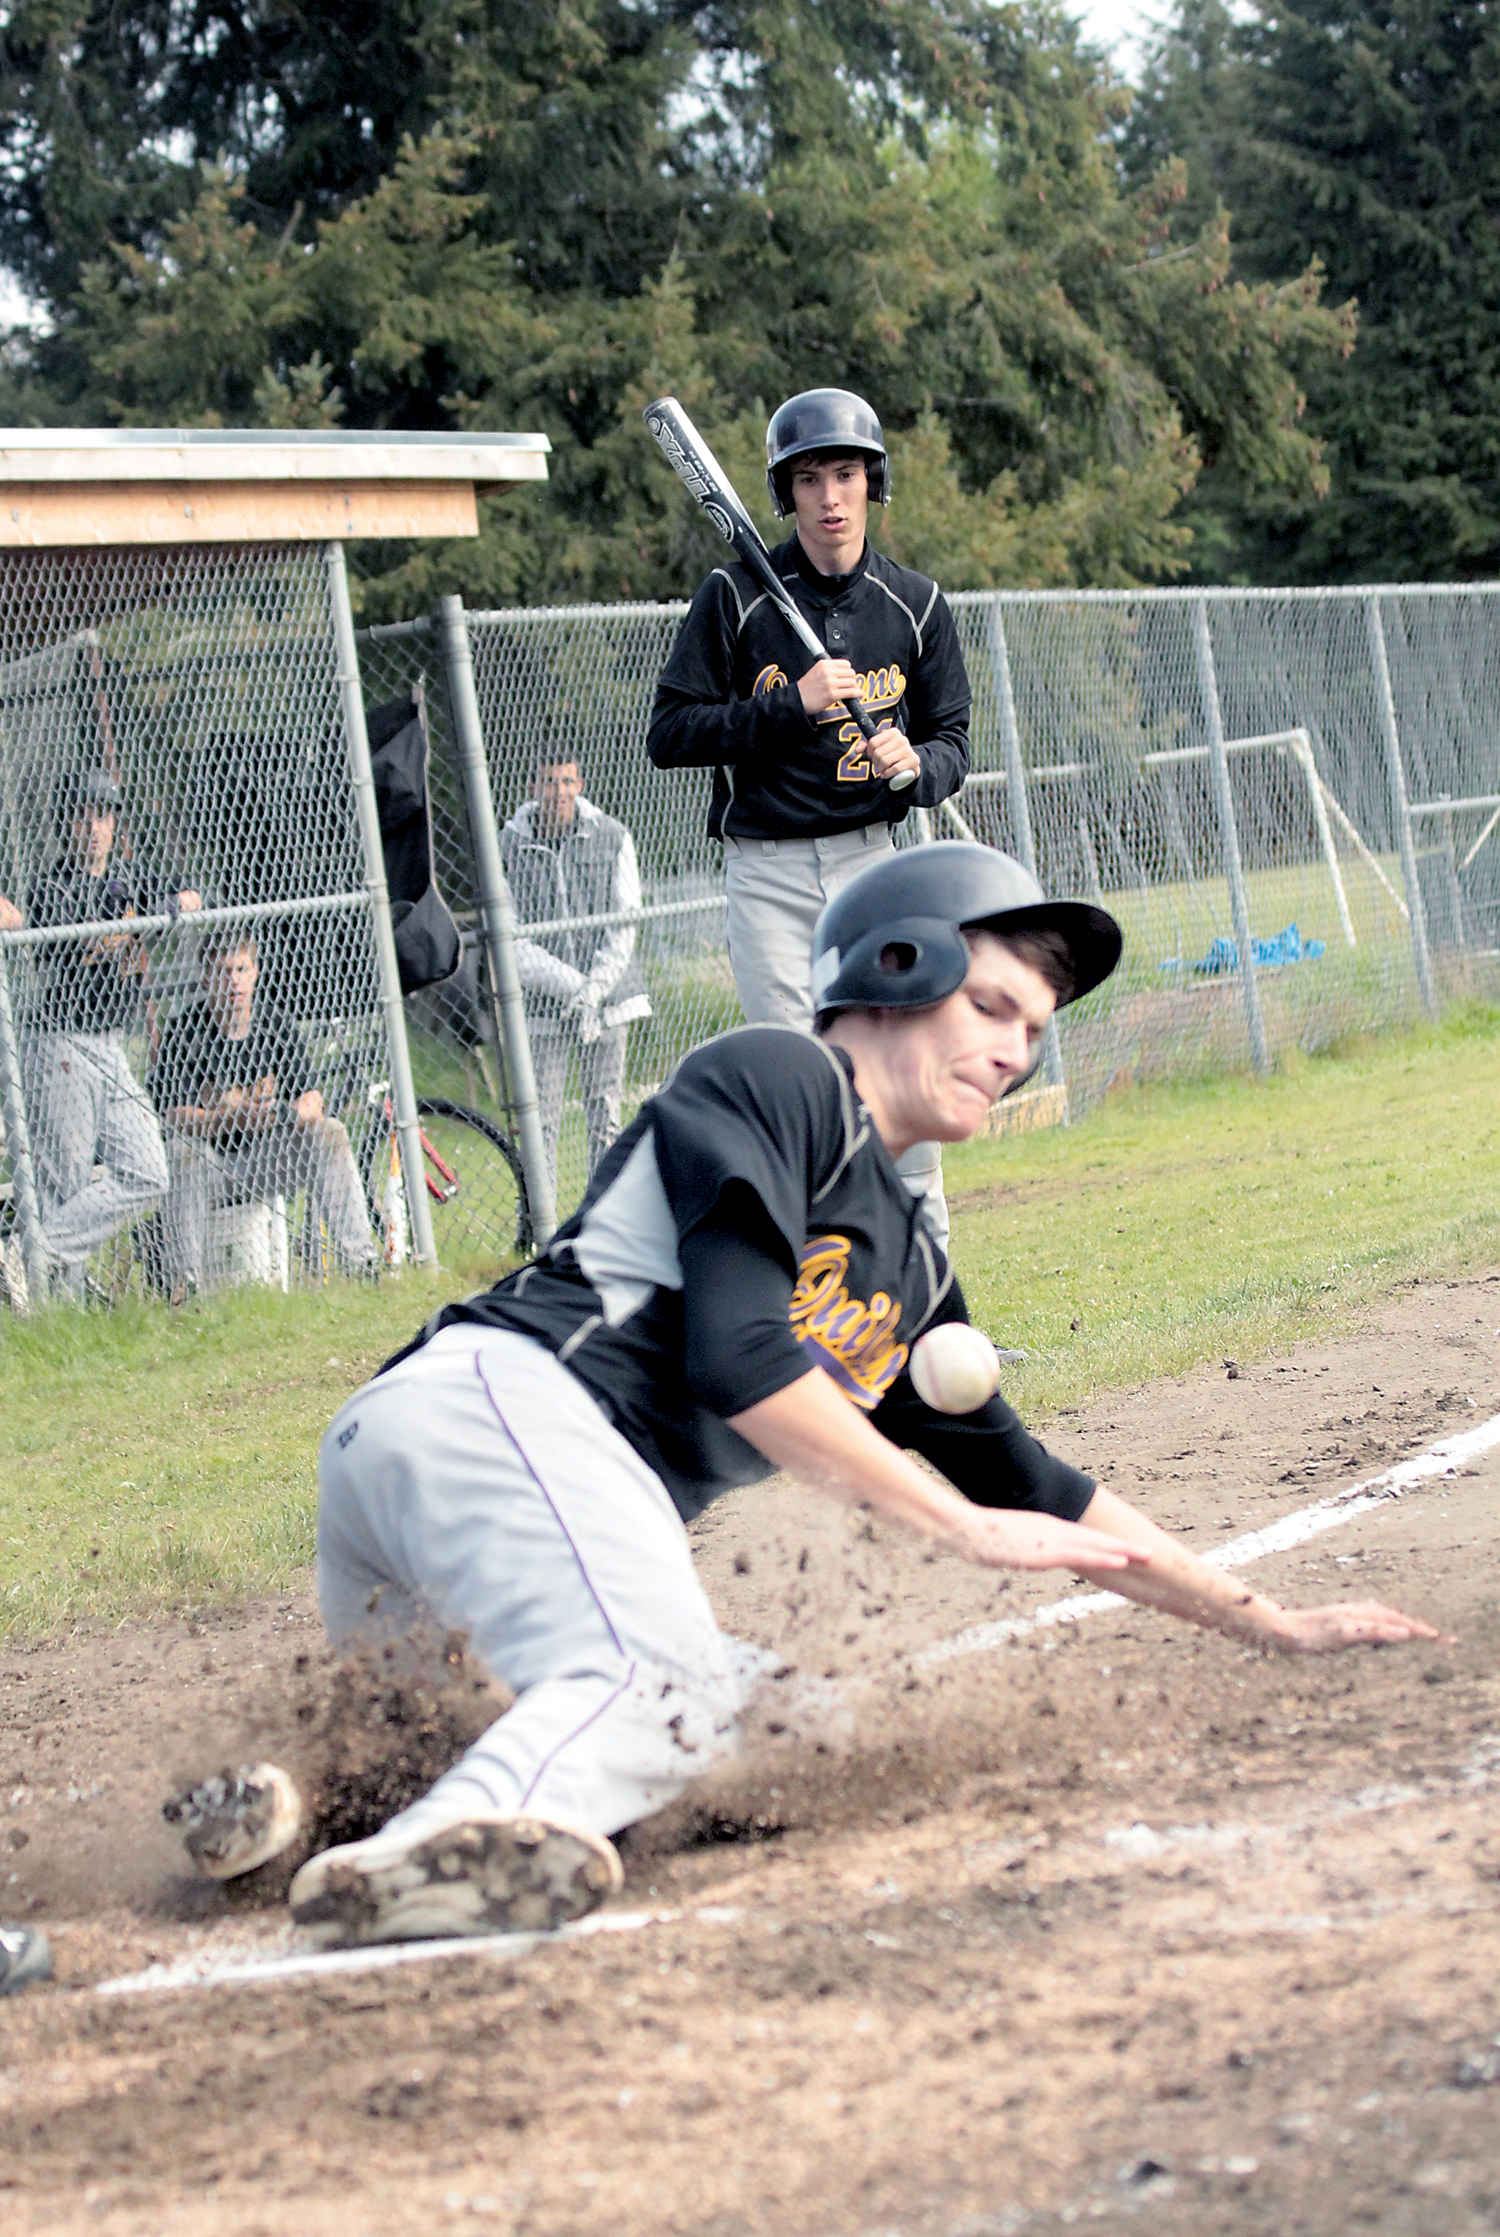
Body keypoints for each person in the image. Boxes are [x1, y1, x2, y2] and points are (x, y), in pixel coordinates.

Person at [182, 843, 1433, 1948]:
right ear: (895, 966)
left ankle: (288, 1816)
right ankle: (427, 1859)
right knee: (649, 1689)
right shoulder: (782, 1074)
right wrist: (953, 1525)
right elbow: (739, 1355)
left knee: (791, 1725)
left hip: (472, 1479)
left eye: (1036, 1030)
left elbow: (1043, 1489)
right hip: (502, 1413)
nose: (1015, 1047)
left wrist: (1270, 1619)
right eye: (993, 1004)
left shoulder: (907, 1265)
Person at [646, 387, 971, 1249]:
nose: (830, 495)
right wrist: (788, 707)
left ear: (873, 483)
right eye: (810, 477)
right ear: (786, 492)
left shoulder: (915, 604)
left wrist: (918, 767)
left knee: (901, 1077)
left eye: (846, 474)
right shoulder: (734, 596)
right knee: (801, 1092)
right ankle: (830, 1314)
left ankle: (930, 1308)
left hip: (876, 866)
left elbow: (953, 743)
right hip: (770, 874)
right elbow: (669, 734)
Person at [0, 768, 201, 1300]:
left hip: (112, 1046)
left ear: (116, 822)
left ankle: (26, 1255)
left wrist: (168, 909)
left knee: (147, 1171)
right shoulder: (52, 888)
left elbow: (189, 896)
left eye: (104, 815)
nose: (94, 826)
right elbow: (76, 945)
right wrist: (136, 926)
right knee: (62, 1184)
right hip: (62, 1046)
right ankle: (52, 1317)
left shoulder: (134, 876)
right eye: (82, 815)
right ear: (67, 824)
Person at [151, 930, 377, 1294]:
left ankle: (361, 1264)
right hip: (214, 1163)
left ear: (255, 972)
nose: (233, 981)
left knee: (330, 1132)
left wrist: (281, 1116)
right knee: (182, 1153)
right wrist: (227, 1119)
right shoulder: (184, 1032)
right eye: (223, 971)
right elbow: (172, 1114)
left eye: (241, 969)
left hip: (270, 1158)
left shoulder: (275, 1025)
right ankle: (185, 1285)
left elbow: (313, 1099)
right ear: (206, 977)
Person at [500, 747, 651, 1192]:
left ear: (579, 784)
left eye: (567, 782)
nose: (559, 792)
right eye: (550, 782)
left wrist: (596, 989)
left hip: (608, 1002)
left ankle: (602, 1214)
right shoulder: (506, 845)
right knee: (540, 1118)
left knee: (604, 1114)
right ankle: (543, 1223)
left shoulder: (613, 836)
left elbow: (625, 921)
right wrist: (574, 988)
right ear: (532, 787)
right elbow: (513, 942)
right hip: (545, 1008)